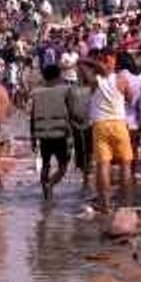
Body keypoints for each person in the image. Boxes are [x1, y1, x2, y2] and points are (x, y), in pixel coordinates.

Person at [78, 48, 135, 211]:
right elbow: (130, 99)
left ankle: (105, 204)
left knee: (103, 165)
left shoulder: (94, 80)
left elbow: (80, 62)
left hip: (100, 125)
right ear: (113, 60)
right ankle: (127, 204)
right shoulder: (121, 78)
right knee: (125, 165)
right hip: (119, 123)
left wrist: (95, 63)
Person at [30, 63, 83, 201]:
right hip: (61, 134)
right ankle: (51, 184)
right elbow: (73, 111)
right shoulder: (66, 90)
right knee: (63, 166)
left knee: (46, 164)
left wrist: (32, 138)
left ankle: (46, 195)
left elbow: (32, 116)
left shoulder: (37, 92)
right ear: (59, 75)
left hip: (43, 135)